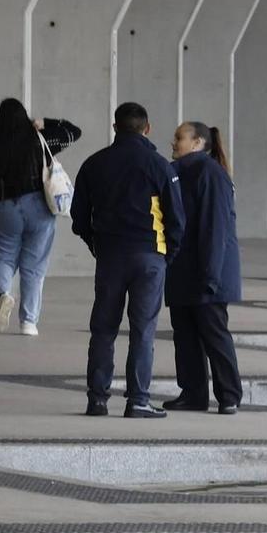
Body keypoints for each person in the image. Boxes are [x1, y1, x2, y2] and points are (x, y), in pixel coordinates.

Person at [72, 102, 184, 419]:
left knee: (103, 330)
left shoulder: (94, 164)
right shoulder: (160, 166)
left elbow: (79, 217)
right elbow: (177, 220)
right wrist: (166, 255)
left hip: (110, 256)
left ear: (115, 127)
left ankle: (97, 400)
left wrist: (95, 243)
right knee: (142, 331)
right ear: (146, 128)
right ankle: (138, 401)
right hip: (149, 256)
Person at [0, 99, 81, 336]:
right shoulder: (38, 140)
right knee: (34, 266)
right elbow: (73, 132)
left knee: (1, 256)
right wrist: (45, 123)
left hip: (3, 208)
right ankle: (29, 322)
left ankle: (2, 294)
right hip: (38, 206)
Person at [164, 121, 243, 415]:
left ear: (198, 143)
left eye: (179, 137)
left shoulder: (209, 173)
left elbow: (215, 229)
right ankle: (193, 393)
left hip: (207, 273)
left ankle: (229, 395)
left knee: (213, 333)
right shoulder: (180, 173)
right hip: (185, 271)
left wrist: (210, 277)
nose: (173, 142)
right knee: (185, 335)